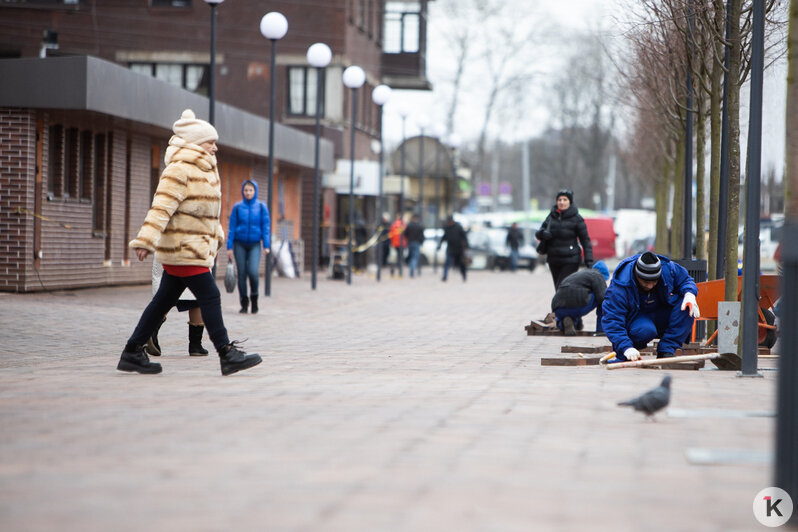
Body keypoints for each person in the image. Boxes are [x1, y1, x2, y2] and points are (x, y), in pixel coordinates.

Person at [117, 109, 262, 376]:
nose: (215, 147)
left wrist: (216, 236)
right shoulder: (179, 169)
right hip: (184, 248)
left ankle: (132, 351)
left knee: (163, 300)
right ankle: (226, 354)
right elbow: (160, 207)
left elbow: (207, 210)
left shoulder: (204, 169)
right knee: (209, 295)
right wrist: (146, 240)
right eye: (211, 142)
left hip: (194, 247)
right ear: (196, 143)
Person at [601, 251, 700, 361]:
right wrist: (626, 347)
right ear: (637, 275)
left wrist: (689, 293)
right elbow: (612, 320)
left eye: (654, 281)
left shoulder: (667, 269)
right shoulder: (619, 288)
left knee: (686, 305)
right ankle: (629, 353)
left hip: (660, 312)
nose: (650, 285)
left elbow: (685, 280)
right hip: (637, 320)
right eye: (645, 282)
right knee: (646, 330)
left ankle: (666, 350)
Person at [145, 259, 208, 357]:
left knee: (167, 293)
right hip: (193, 251)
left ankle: (152, 330)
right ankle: (196, 345)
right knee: (198, 289)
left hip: (167, 251)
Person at [226, 179, 270, 314]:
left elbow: (266, 226)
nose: (248, 192)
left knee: (253, 273)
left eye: (251, 190)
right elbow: (232, 227)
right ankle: (244, 303)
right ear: (242, 191)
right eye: (246, 190)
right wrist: (229, 247)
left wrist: (266, 245)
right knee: (242, 274)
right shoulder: (237, 207)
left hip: (255, 244)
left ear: (255, 191)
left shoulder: (261, 207)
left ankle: (254, 299)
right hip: (239, 244)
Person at [535, 189, 594, 289]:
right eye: (559, 199)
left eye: (565, 199)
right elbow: (538, 233)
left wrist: (589, 260)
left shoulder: (577, 218)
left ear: (570, 202)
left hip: (571, 260)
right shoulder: (551, 217)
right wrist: (543, 234)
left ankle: (562, 304)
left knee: (562, 288)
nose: (562, 202)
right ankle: (564, 305)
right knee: (558, 288)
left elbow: (585, 240)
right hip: (554, 259)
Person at [551, 261, 610, 336]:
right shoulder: (598, 275)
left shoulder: (579, 274)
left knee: (568, 317)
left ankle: (564, 323)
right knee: (603, 299)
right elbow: (602, 298)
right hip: (577, 307)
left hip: (558, 308)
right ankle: (601, 330)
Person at [438, 215, 469, 282]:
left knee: (461, 264)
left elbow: (464, 237)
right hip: (450, 249)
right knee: (447, 263)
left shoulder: (458, 227)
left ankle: (464, 276)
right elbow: (444, 237)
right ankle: (445, 276)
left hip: (459, 249)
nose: (448, 223)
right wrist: (439, 245)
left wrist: (466, 246)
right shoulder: (447, 228)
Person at [405, 213, 425, 278]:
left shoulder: (409, 225)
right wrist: (421, 242)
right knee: (415, 258)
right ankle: (412, 271)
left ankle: (411, 268)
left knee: (411, 256)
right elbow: (422, 236)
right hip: (416, 243)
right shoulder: (420, 226)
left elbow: (405, 234)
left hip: (410, 243)